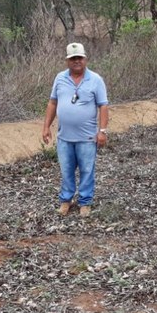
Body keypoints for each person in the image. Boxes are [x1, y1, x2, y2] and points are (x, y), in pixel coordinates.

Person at [42, 43, 109, 217]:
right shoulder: (60, 78)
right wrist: (46, 127)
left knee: (87, 170)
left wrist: (102, 131)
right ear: (67, 61)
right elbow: (53, 103)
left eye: (79, 58)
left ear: (85, 59)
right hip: (64, 136)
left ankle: (85, 202)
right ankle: (66, 200)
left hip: (87, 137)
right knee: (66, 170)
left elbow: (103, 106)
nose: (76, 61)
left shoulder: (95, 79)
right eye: (72, 58)